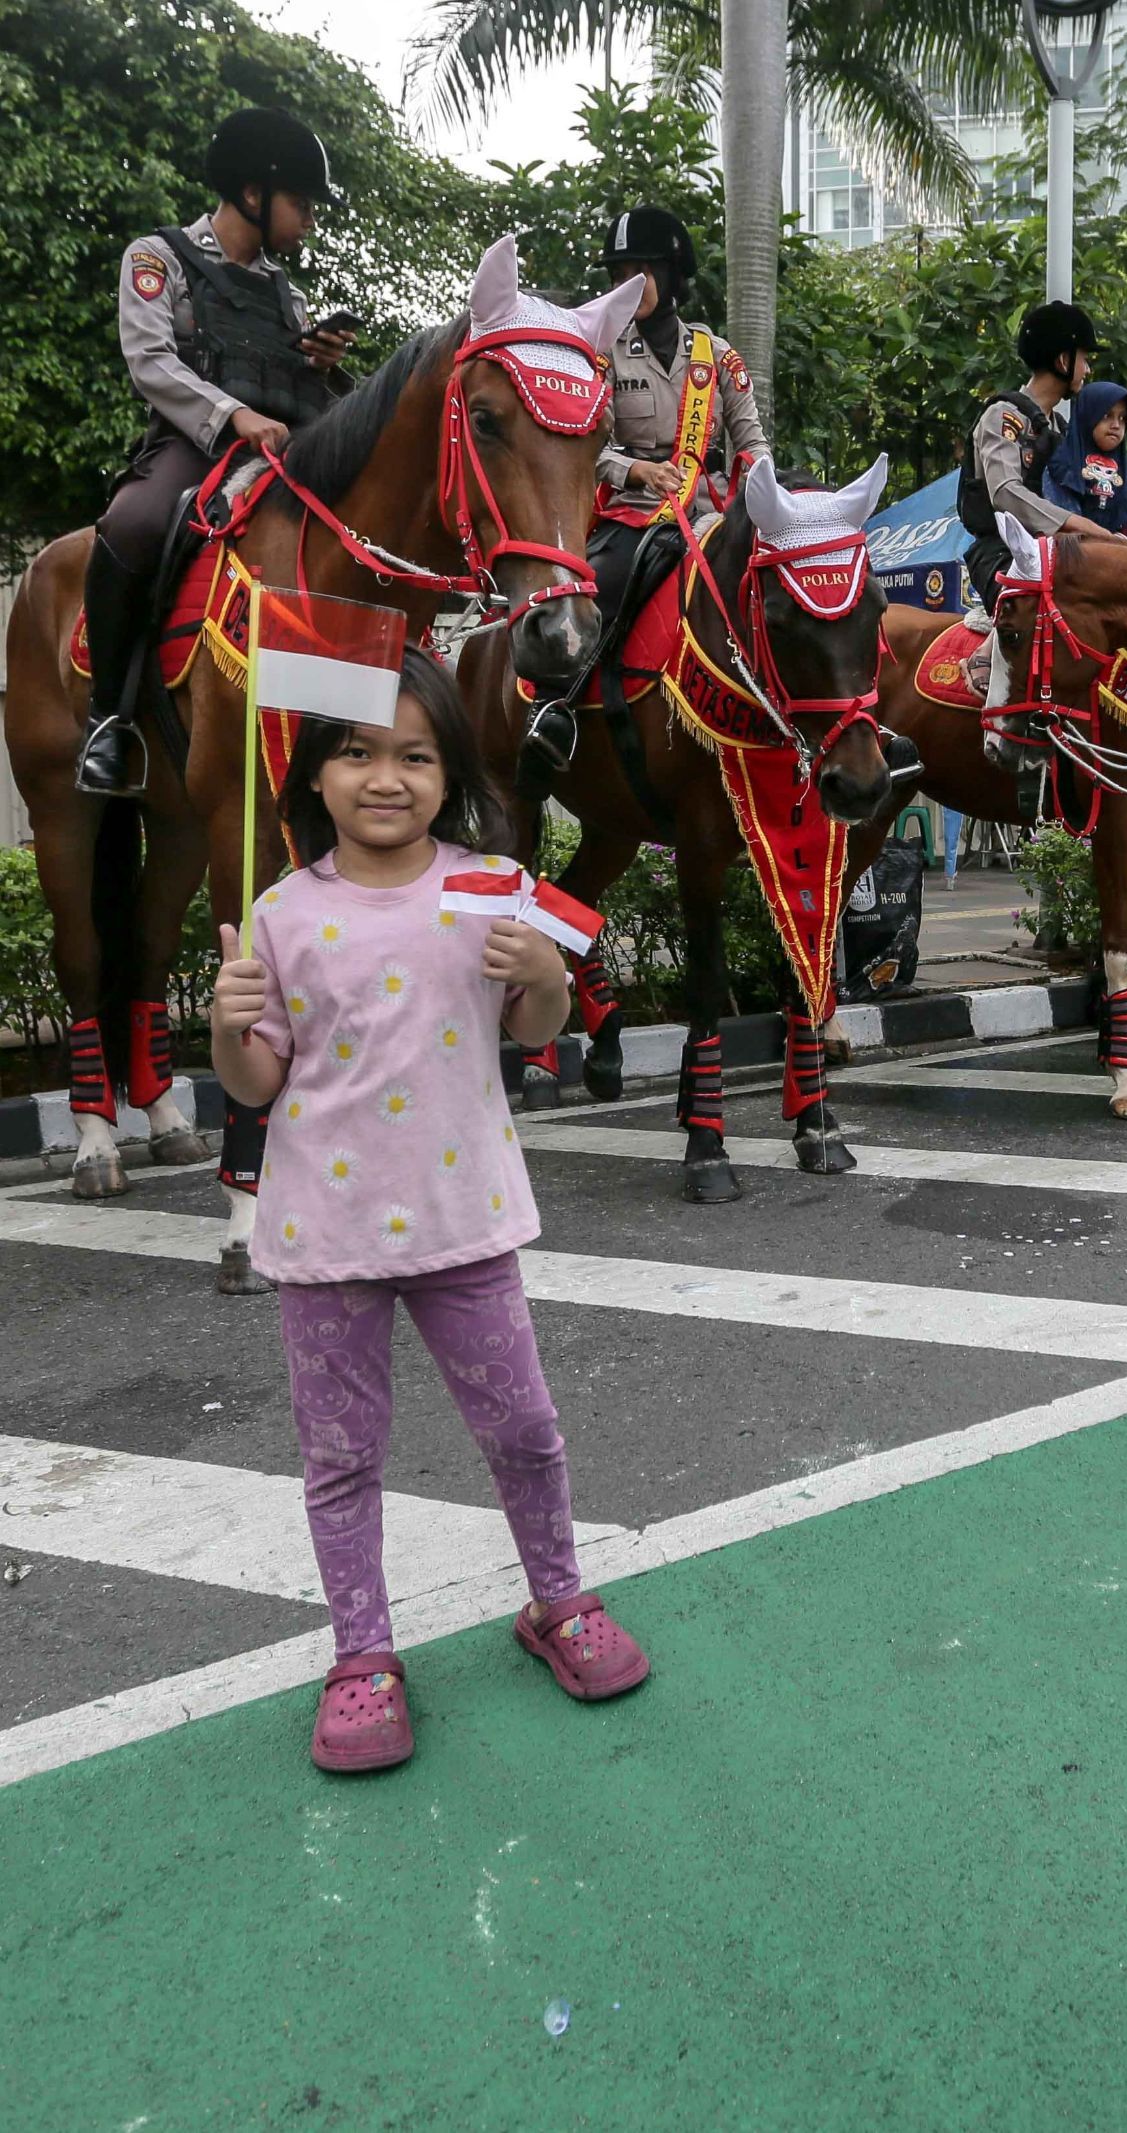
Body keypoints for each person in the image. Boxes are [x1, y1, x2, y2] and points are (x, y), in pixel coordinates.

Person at [210, 646, 650, 1773]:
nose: (384, 778)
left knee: (525, 1431)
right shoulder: (279, 912)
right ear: (313, 773)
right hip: (326, 1238)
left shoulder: (489, 886)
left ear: (451, 774)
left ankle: (557, 1599)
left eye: (414, 754)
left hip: (465, 1225)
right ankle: (362, 1656)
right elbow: (260, 1084)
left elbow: (537, 1030)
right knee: (341, 1458)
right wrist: (227, 1024)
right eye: (355, 753)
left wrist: (542, 975)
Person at [78, 107, 356, 799]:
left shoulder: (284, 291)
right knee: (132, 524)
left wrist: (322, 365)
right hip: (195, 447)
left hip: (282, 452)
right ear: (254, 195)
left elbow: (287, 375)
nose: (310, 220)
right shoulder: (158, 257)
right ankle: (108, 720)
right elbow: (148, 360)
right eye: (301, 203)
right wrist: (234, 415)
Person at [522, 203, 768, 774]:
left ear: (672, 274)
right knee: (599, 587)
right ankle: (554, 708)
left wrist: (760, 495)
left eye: (641, 272)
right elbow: (585, 443)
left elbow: (752, 442)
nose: (627, 285)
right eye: (618, 275)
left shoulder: (719, 357)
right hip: (635, 512)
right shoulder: (602, 355)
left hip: (712, 511)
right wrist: (637, 471)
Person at [956, 298, 1126, 695]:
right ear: (1063, 360)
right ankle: (987, 662)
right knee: (1036, 614)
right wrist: (1081, 527)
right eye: (1084, 357)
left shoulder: (1063, 429)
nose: (1088, 368)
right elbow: (1005, 494)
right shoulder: (1004, 417)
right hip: (1001, 552)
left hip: (1057, 551)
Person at [1042, 379, 1127, 546]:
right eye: (1107, 416)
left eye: (1122, 418)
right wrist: (1111, 542)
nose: (1116, 425)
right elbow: (1067, 531)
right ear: (1088, 417)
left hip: (1125, 560)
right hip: (1074, 560)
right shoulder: (1062, 467)